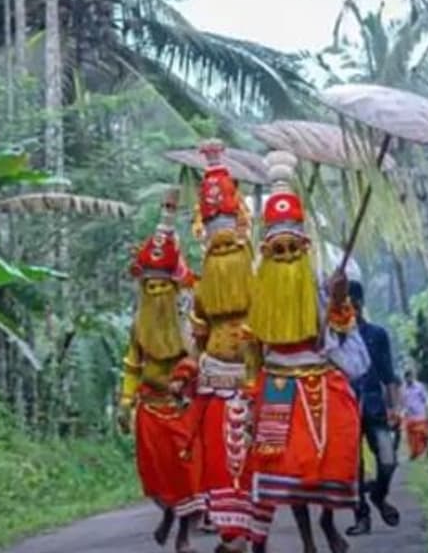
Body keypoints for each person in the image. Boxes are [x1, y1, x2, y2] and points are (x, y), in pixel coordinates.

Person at [241, 151, 370, 553]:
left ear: (305, 247)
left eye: (291, 250)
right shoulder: (258, 293)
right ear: (266, 251)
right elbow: (252, 351)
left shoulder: (320, 283)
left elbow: (344, 335)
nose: (285, 257)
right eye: (277, 251)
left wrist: (338, 302)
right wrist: (250, 397)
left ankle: (329, 523)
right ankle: (308, 539)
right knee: (286, 467)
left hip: (319, 376)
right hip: (278, 382)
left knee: (338, 450)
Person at [118, 188, 204, 552]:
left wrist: (185, 377)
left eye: (161, 286)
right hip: (149, 410)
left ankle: (184, 533)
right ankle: (167, 513)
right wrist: (125, 403)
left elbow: (197, 360)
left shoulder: (186, 326)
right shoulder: (138, 327)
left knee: (187, 474)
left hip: (181, 409)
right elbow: (132, 366)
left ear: (172, 288)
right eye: (149, 286)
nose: (155, 292)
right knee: (154, 474)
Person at [187, 140, 257, 553]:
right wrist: (188, 369)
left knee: (252, 457)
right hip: (213, 375)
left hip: (251, 374)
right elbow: (194, 338)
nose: (225, 254)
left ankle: (250, 530)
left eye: (231, 246)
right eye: (218, 248)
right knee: (216, 455)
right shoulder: (200, 295)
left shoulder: (261, 288)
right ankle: (231, 533)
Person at [345, 280, 402, 537]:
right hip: (345, 411)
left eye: (352, 303)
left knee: (388, 459)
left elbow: (389, 375)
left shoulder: (377, 335)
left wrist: (395, 408)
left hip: (375, 408)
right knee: (351, 468)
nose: (349, 309)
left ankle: (379, 496)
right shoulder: (334, 340)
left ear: (359, 304)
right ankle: (362, 516)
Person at [402, 370, 428, 460]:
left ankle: (427, 450)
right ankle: (413, 453)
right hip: (410, 416)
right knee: (411, 436)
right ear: (405, 378)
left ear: (413, 377)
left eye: (410, 377)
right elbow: (403, 401)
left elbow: (426, 399)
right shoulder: (403, 389)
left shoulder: (419, 386)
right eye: (407, 377)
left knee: (424, 434)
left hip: (421, 414)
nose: (409, 379)